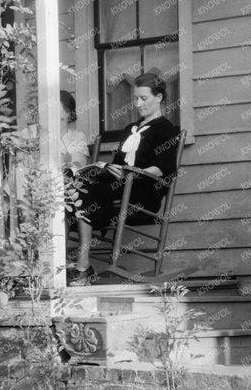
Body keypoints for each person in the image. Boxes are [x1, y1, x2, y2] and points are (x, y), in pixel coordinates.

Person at [70, 71, 180, 284]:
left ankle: (83, 267)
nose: (138, 103)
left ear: (158, 98)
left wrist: (133, 172)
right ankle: (77, 266)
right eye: (136, 98)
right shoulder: (130, 129)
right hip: (118, 187)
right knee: (75, 189)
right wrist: (108, 169)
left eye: (143, 98)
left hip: (143, 192)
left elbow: (164, 168)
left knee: (84, 196)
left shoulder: (166, 129)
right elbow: (119, 161)